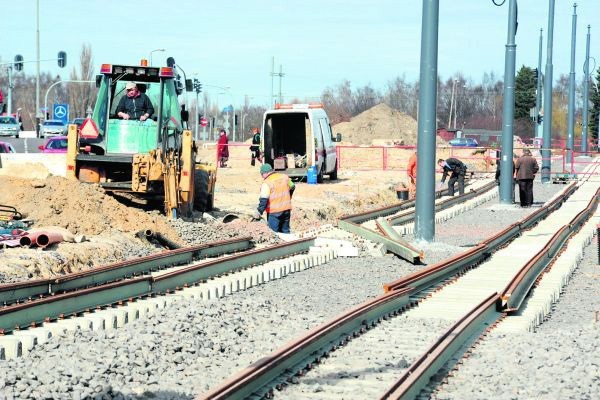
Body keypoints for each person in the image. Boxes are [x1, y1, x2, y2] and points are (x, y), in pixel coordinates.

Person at [252, 163, 295, 233]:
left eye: (262, 174)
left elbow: (264, 200)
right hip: (286, 209)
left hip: (274, 212)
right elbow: (293, 186)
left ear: (265, 173)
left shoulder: (266, 183)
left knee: (274, 234)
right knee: (285, 232)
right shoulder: (284, 177)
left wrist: (259, 212)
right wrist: (288, 197)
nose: (262, 177)